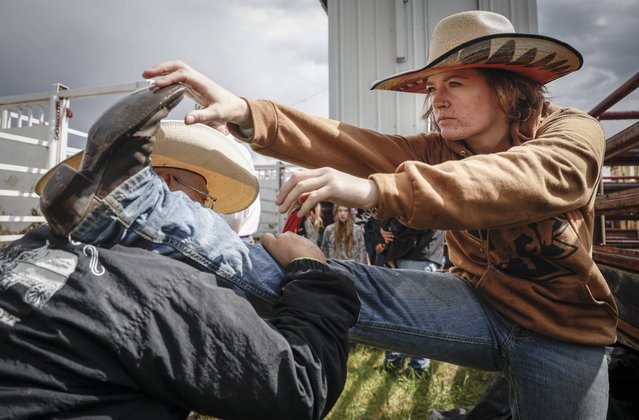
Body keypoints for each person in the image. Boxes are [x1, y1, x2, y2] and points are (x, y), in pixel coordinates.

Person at [38, 10, 615, 418]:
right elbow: (345, 142)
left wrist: (375, 190)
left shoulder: (570, 132)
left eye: (455, 83)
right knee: (320, 278)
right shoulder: (437, 148)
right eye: (431, 86)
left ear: (509, 89)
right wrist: (245, 111)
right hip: (477, 305)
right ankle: (131, 210)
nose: (435, 100)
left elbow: (540, 179)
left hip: (563, 334)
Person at [0, 86, 360, 419]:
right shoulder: (163, 290)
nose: (210, 211)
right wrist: (313, 272)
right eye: (203, 198)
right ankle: (136, 203)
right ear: (167, 187)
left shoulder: (32, 246)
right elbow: (298, 386)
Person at [374, 217, 445, 379]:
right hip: (410, 255)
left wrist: (390, 249)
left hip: (416, 255)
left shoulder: (423, 199)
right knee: (396, 313)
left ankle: (417, 368)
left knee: (415, 316)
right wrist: (382, 233)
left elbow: (415, 222)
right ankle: (396, 361)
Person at [213, 123, 262, 244]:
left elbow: (236, 210)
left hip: (230, 238)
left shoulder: (230, 151)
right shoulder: (231, 150)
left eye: (212, 124)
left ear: (227, 126)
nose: (208, 130)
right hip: (234, 236)